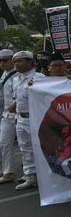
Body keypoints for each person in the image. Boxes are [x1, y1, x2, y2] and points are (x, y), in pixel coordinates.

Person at [9, 51, 46, 190]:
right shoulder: (16, 79)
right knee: (25, 148)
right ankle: (29, 174)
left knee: (38, 148)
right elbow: (17, 99)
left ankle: (41, 176)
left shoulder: (39, 77)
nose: (17, 64)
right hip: (20, 118)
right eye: (15, 62)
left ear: (32, 63)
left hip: (34, 118)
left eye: (21, 61)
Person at [0, 49, 17, 184]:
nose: (2, 63)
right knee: (4, 142)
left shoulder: (20, 75)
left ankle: (32, 172)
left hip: (20, 114)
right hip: (6, 114)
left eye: (5, 60)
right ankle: (8, 172)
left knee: (27, 145)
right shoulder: (4, 74)